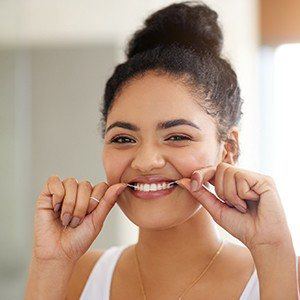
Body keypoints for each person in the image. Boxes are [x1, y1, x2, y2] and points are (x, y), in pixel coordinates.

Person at [25, 1, 300, 299]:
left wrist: (273, 251)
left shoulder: (284, 273)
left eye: (177, 136)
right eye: (124, 139)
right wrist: (49, 263)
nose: (145, 162)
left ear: (228, 148)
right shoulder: (77, 276)